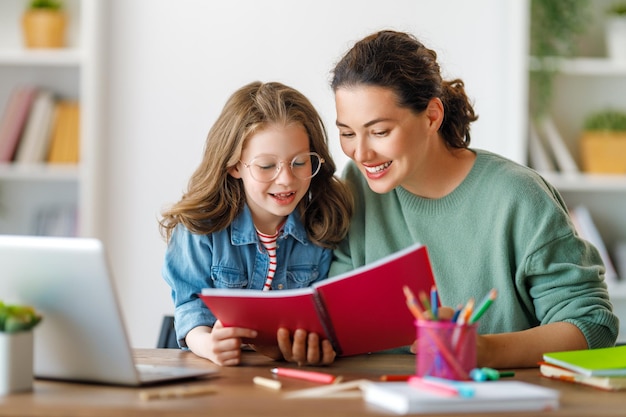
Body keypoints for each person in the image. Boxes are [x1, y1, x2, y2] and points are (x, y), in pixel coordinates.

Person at [327, 30, 619, 368]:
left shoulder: (517, 196)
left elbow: (592, 326)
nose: (360, 152)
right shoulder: (354, 187)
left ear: (432, 116)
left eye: (379, 132)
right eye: (347, 133)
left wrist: (483, 350)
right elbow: (338, 313)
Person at [159, 81, 353, 366]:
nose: (286, 179)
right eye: (266, 166)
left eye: (300, 162)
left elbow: (326, 319)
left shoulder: (322, 225)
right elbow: (190, 308)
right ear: (234, 165)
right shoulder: (199, 227)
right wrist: (208, 344)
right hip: (222, 376)